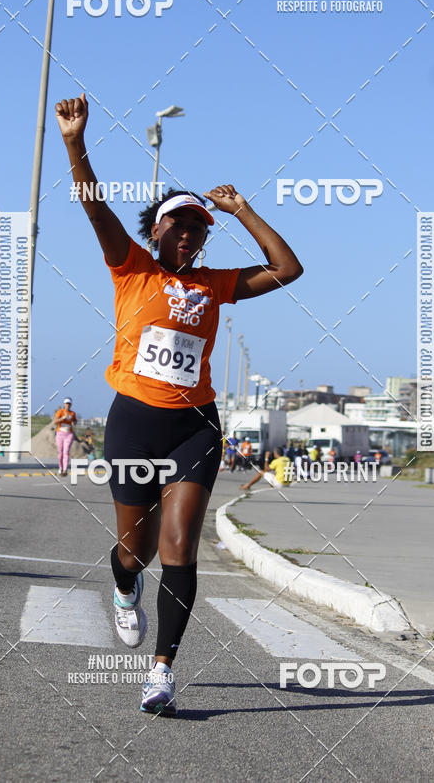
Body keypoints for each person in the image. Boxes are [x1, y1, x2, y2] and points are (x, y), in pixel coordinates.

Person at [56, 92, 303, 716]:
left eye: (198, 227)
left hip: (195, 427)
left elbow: (287, 268)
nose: (190, 234)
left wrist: (241, 208)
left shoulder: (215, 285)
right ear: (157, 228)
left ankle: (162, 671)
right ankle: (122, 585)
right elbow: (95, 206)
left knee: (179, 549)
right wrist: (75, 143)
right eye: (180, 223)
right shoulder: (131, 268)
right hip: (134, 422)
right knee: (134, 551)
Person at [53, 397, 77, 476]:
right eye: (66, 403)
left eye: (69, 404)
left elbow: (75, 421)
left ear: (71, 405)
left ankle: (65, 469)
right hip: (60, 434)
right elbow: (55, 422)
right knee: (60, 452)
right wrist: (63, 418)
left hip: (68, 434)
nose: (68, 405)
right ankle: (61, 468)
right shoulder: (60, 412)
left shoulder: (72, 413)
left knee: (66, 452)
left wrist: (73, 422)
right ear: (64, 404)